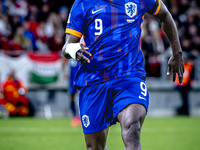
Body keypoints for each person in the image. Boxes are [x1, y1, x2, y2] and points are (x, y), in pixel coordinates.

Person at [62, 0, 184, 149]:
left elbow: (164, 14)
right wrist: (75, 50)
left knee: (132, 126)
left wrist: (177, 52)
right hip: (94, 80)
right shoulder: (83, 3)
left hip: (129, 76)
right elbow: (67, 46)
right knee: (94, 147)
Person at [62, 58, 82, 127]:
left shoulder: (81, 51)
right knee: (72, 97)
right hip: (71, 78)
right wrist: (64, 72)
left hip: (79, 77)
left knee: (79, 96)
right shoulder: (70, 52)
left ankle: (80, 116)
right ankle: (74, 117)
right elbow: (64, 62)